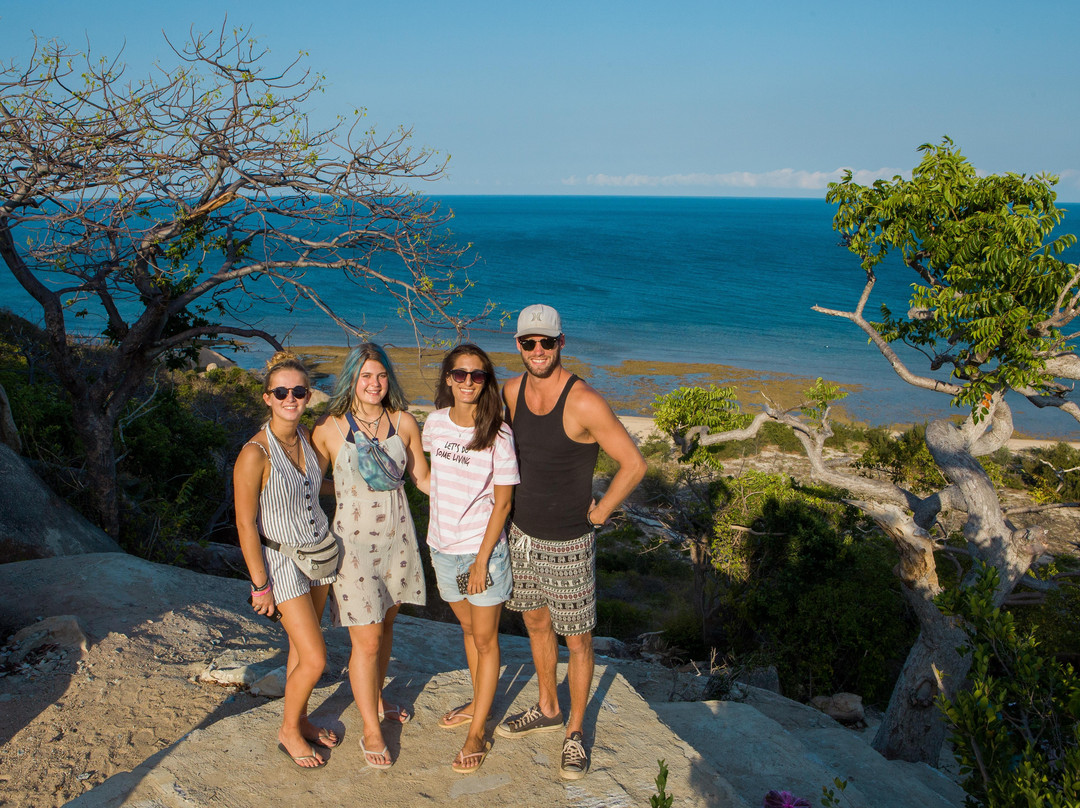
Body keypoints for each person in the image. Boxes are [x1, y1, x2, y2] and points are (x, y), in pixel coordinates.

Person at [497, 304, 646, 780]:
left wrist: (600, 514)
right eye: (529, 342)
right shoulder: (511, 391)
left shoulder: (584, 402)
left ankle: (575, 732)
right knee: (536, 624)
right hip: (521, 535)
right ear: (519, 345)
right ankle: (548, 706)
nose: (538, 350)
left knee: (578, 641)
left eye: (546, 342)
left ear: (561, 342)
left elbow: (633, 464)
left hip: (569, 544)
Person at [310, 343, 428, 770]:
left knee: (387, 624)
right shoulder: (328, 428)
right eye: (365, 376)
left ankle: (377, 698)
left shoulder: (404, 423)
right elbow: (310, 482)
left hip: (398, 542)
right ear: (351, 380)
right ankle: (371, 729)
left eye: (380, 375)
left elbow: (422, 479)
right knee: (368, 639)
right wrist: (348, 488)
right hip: (352, 548)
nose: (374, 383)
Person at [233, 352, 339, 769]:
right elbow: (244, 524)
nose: (290, 398)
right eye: (281, 392)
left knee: (300, 648)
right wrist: (260, 585)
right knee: (315, 658)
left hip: (318, 554)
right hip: (281, 562)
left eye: (298, 391)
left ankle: (301, 719)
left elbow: (313, 487)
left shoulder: (307, 439)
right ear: (267, 398)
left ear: (308, 396)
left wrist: (358, 487)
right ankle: (287, 731)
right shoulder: (255, 453)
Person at [422, 344, 519, 774]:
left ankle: (478, 731)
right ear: (448, 378)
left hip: (482, 553)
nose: (467, 382)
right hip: (442, 548)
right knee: (467, 630)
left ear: (486, 381)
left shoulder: (499, 433)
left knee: (485, 639)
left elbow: (503, 504)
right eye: (459, 374)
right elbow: (430, 477)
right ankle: (480, 702)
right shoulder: (435, 424)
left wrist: (481, 561)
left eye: (476, 375)